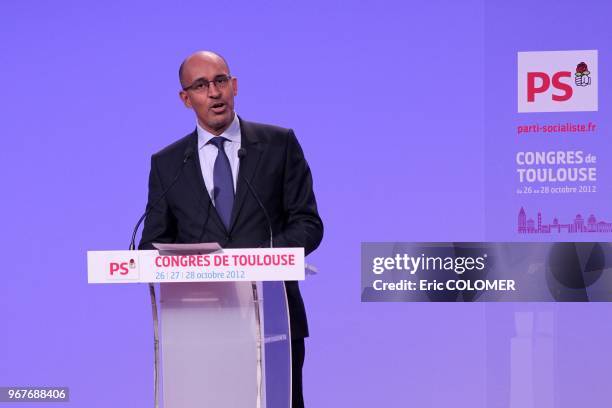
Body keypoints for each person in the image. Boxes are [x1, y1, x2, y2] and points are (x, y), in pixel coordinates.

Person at [138, 50, 323, 408]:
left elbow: (308, 224)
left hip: (273, 322)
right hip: (198, 327)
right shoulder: (168, 163)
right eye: (201, 85)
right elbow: (152, 244)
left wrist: (259, 261)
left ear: (234, 86)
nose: (214, 92)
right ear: (185, 98)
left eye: (220, 81)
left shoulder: (278, 144)